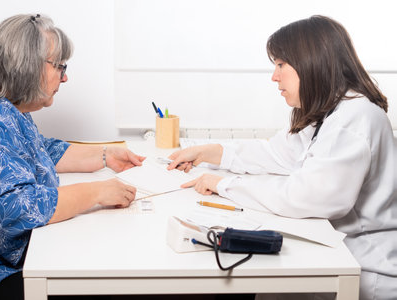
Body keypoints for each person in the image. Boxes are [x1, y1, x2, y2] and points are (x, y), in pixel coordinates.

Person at [168, 15, 397, 300]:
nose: (274, 76)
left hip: (364, 268)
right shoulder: (330, 112)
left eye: (280, 65)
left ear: (311, 62)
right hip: (336, 249)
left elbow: (308, 196)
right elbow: (277, 153)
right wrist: (211, 152)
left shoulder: (354, 118)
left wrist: (223, 185)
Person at [0, 14, 145, 300]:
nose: (65, 77)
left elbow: (41, 150)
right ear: (27, 64)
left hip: (9, 259)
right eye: (60, 66)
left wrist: (105, 156)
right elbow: (11, 209)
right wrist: (97, 192)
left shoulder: (4, 107)